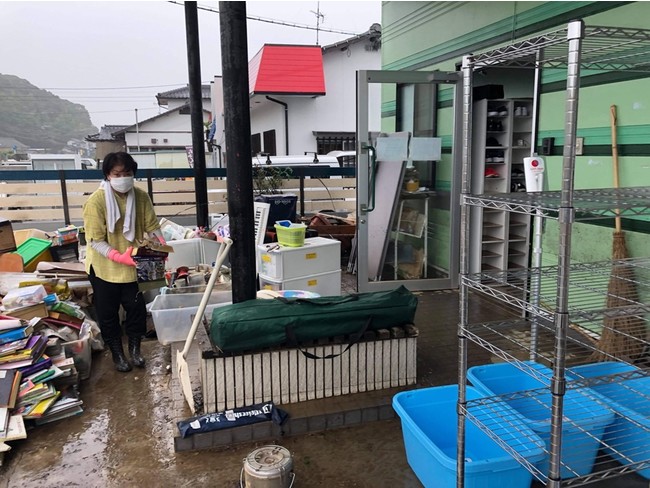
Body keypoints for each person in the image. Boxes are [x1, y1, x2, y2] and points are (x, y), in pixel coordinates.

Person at [83, 152, 165, 372]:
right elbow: (95, 240)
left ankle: (136, 350)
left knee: (136, 308)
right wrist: (119, 257)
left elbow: (152, 226)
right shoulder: (96, 201)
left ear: (133, 173)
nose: (122, 177)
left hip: (135, 264)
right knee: (108, 313)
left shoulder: (141, 196)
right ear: (108, 175)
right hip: (103, 266)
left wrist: (160, 245)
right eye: (117, 173)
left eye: (127, 173)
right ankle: (118, 354)